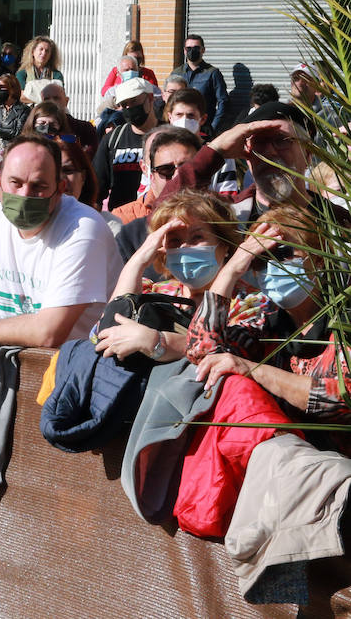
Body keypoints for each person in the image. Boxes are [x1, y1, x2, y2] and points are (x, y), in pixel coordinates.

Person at [0, 134, 122, 373]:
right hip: (12, 369)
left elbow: (48, 332)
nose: (25, 195)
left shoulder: (83, 228)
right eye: (15, 183)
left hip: (78, 373)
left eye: (38, 186)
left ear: (60, 190)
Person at [185, 206, 351, 444]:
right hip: (286, 462)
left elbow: (342, 401)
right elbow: (200, 350)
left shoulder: (344, 320)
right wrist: (232, 269)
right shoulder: (266, 325)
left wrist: (253, 370)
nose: (271, 267)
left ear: (316, 258)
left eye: (281, 253)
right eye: (260, 261)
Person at [94, 189, 240, 365]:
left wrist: (156, 341)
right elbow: (104, 331)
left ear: (224, 245)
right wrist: (139, 260)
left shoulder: (247, 304)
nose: (185, 246)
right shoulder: (153, 291)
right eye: (175, 241)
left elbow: (225, 356)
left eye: (197, 237)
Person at [159, 100, 314, 229]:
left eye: (282, 140)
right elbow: (161, 215)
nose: (269, 151)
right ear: (246, 155)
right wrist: (216, 150)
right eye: (259, 142)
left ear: (308, 154)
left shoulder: (335, 220)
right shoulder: (224, 215)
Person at [109, 126, 203, 225]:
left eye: (185, 167)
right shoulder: (123, 218)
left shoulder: (217, 211)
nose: (177, 176)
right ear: (148, 170)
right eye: (166, 169)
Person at [94, 77, 157, 210]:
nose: (129, 108)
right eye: (124, 105)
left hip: (158, 216)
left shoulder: (169, 136)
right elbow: (97, 187)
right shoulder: (113, 139)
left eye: (134, 101)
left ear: (150, 98)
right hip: (120, 220)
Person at [170, 33, 229, 133]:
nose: (192, 51)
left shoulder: (212, 73)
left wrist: (213, 126)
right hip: (179, 128)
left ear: (203, 50)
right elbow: (170, 100)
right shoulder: (176, 73)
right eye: (189, 48)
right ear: (184, 51)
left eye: (196, 48)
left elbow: (223, 101)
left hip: (204, 128)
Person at [37, 81, 98, 159]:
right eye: (46, 99)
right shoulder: (34, 128)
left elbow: (88, 158)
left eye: (56, 98)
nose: (51, 102)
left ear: (66, 101)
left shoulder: (85, 128)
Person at [0, 74, 28, 154]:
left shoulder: (23, 110)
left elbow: (19, 133)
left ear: (12, 89)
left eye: (1, 88)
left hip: (10, 153)